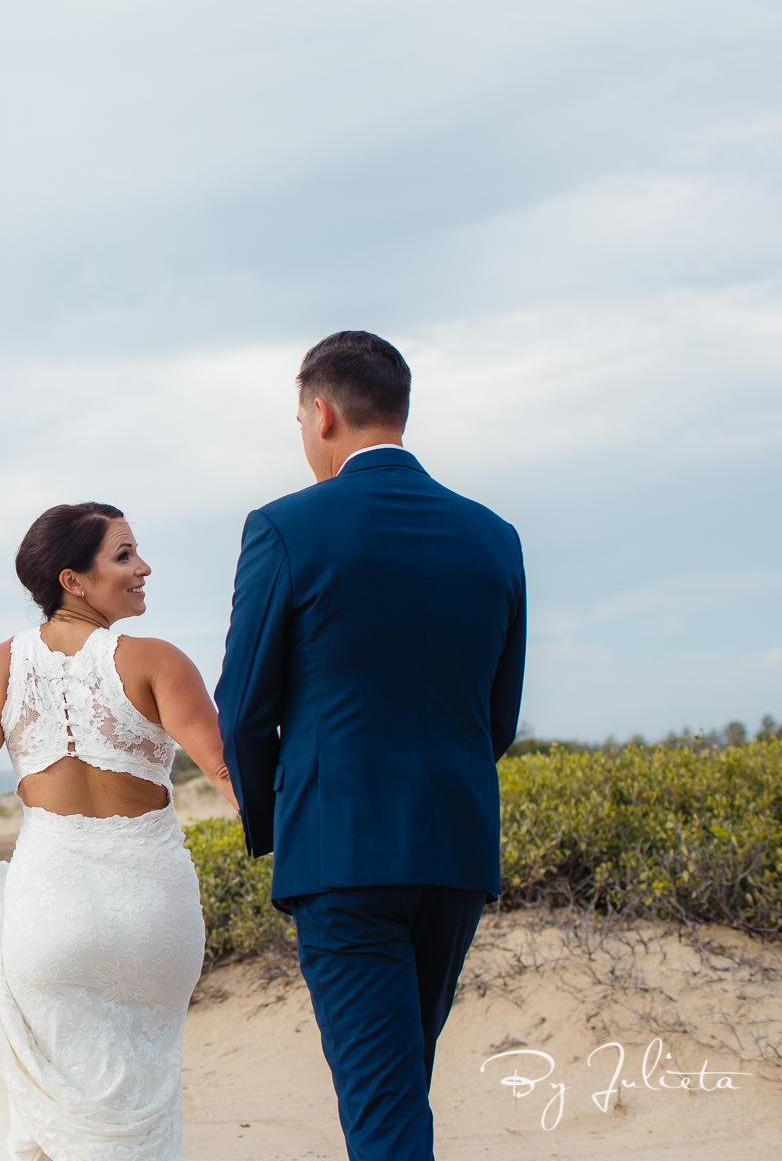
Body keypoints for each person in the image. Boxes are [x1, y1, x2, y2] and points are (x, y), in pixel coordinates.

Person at [216, 331, 526, 1161]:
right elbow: (499, 715)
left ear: (321, 414)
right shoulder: (495, 536)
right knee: (399, 1094)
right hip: (454, 853)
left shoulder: (285, 527)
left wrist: (277, 826)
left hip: (341, 855)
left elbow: (243, 710)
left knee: (384, 1114)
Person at [0, 503, 238, 1161]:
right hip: (154, 911)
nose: (143, 567)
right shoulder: (157, 661)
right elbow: (223, 766)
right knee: (145, 1086)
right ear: (73, 580)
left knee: (58, 1109)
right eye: (124, 555)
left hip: (52, 910)